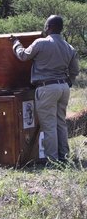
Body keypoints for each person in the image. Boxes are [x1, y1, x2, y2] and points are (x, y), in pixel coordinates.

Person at [11, 15, 79, 162]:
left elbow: (23, 56)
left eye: (46, 25)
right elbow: (74, 70)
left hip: (46, 88)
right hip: (63, 88)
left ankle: (53, 160)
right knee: (61, 123)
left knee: (49, 125)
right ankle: (64, 157)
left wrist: (16, 43)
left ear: (50, 27)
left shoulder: (41, 43)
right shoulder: (69, 47)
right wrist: (68, 82)